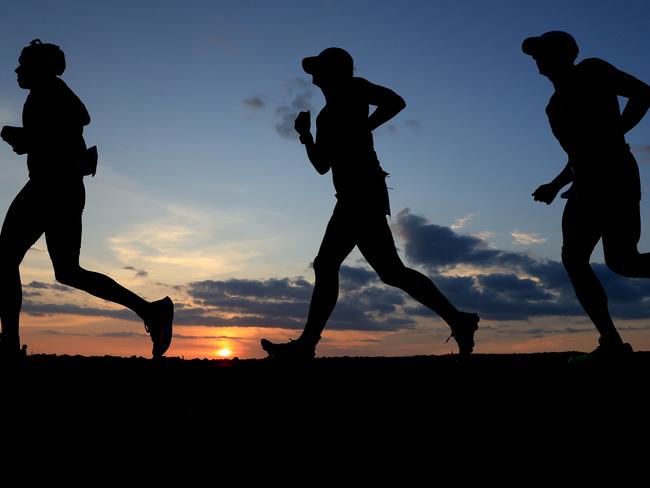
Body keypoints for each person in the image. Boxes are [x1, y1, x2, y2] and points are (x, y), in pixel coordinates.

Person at [261, 47, 479, 360]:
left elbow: (396, 102)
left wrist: (365, 126)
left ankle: (306, 346)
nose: (312, 76)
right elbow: (323, 165)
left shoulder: (355, 88)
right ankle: (459, 319)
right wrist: (306, 136)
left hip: (364, 193)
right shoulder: (324, 117)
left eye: (318, 69)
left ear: (334, 71)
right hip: (351, 196)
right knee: (391, 272)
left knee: (332, 265)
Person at [0, 39, 174, 364]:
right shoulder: (49, 94)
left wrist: (27, 138)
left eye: (24, 64)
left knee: (6, 259)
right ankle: (151, 310)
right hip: (60, 188)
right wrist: (29, 140)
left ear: (42, 68)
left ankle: (9, 344)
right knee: (66, 272)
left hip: (51, 188)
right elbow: (67, 133)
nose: (17, 70)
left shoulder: (50, 92)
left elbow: (71, 128)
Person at [524, 31, 650, 362]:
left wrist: (616, 132)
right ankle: (610, 343)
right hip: (585, 183)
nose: (538, 58)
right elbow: (578, 154)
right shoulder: (553, 108)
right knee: (577, 259)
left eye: (544, 51)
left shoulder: (592, 70)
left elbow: (642, 94)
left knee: (623, 261)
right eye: (536, 54)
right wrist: (554, 185)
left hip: (617, 174)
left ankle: (610, 344)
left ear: (567, 53)